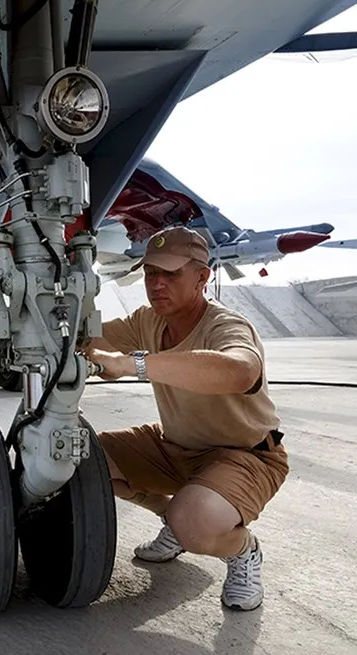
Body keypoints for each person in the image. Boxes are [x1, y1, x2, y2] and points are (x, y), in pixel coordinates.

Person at [83, 225, 288, 612]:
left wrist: (133, 364)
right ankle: (173, 523)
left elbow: (240, 371)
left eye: (171, 274)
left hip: (245, 456)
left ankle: (242, 549)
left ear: (202, 276)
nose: (157, 284)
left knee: (197, 523)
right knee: (85, 458)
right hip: (174, 446)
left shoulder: (225, 325)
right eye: (150, 274)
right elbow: (91, 340)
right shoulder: (147, 321)